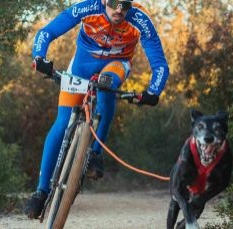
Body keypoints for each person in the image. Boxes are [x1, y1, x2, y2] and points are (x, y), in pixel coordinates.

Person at [24, 0, 169, 219]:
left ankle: (95, 154)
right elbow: (48, 31)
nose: (119, 9)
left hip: (117, 64)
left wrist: (153, 91)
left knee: (106, 83)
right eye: (113, 3)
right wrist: (39, 56)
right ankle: (41, 191)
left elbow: (159, 64)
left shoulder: (139, 18)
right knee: (62, 123)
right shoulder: (88, 7)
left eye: (125, 4)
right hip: (81, 66)